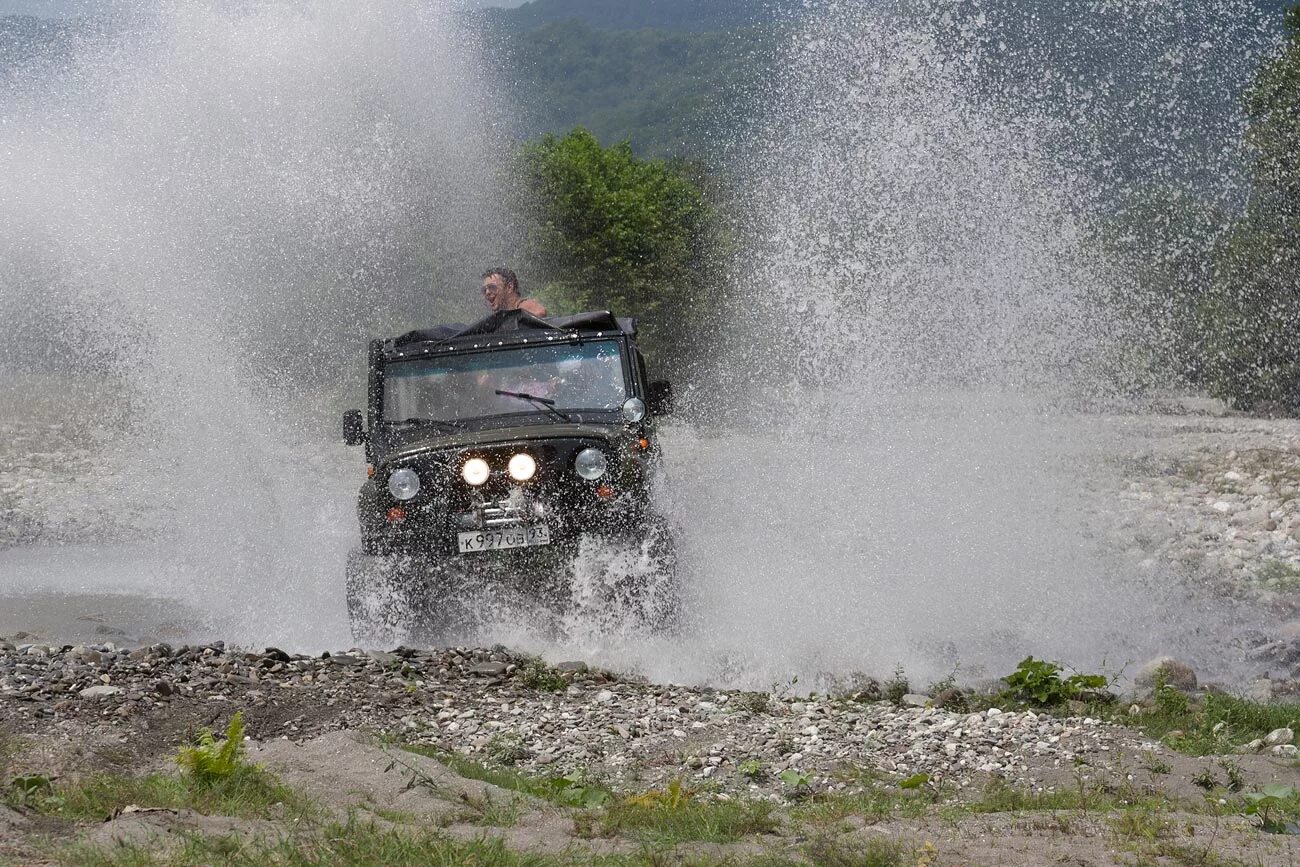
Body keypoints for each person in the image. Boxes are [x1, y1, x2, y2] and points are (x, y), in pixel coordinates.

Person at [481, 268, 548, 317]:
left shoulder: (523, 305)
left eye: (492, 287)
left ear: (509, 287)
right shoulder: (504, 314)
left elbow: (540, 312)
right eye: (484, 290)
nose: (487, 292)